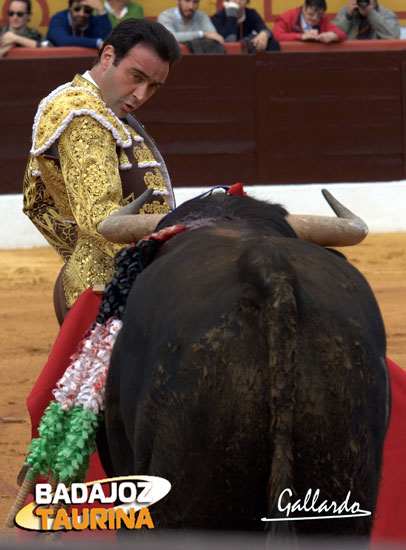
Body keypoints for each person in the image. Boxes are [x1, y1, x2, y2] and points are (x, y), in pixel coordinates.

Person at [23, 18, 181, 324]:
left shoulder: (96, 106)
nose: (140, 94)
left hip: (110, 282)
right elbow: (103, 222)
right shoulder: (84, 116)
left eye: (153, 86)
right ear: (107, 56)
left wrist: (77, 253)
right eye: (136, 76)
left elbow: (36, 202)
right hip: (110, 296)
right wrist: (174, 250)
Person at [158, 0, 226, 54]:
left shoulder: (201, 16)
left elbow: (213, 35)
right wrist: (202, 34)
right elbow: (171, 37)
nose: (191, 6)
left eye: (195, 2)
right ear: (178, 1)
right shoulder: (165, 16)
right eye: (187, 1)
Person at [211, 0, 280, 52]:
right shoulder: (218, 17)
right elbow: (230, 40)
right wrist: (232, 16)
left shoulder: (251, 13)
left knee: (271, 42)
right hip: (227, 57)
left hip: (247, 53)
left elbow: (264, 29)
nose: (237, 1)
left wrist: (264, 34)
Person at [46, 0, 112, 49]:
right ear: (70, 8)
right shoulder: (58, 19)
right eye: (77, 9)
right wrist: (96, 43)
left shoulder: (92, 20)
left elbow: (106, 42)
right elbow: (63, 41)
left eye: (87, 10)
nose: (82, 14)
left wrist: (101, 11)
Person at [273, 0, 346, 43]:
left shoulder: (323, 19)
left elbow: (342, 34)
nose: (315, 18)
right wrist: (301, 37)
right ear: (304, 8)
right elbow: (276, 36)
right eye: (311, 14)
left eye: (319, 15)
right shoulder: (287, 18)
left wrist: (334, 35)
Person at [333, 0, 400, 40]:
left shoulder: (386, 14)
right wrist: (348, 17)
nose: (363, 1)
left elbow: (393, 36)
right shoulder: (346, 11)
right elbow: (332, 34)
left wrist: (371, 13)